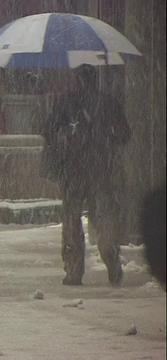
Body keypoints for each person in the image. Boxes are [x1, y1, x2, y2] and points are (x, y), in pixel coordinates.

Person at [40, 64, 131, 286]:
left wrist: (68, 134)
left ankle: (73, 270)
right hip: (101, 170)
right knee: (103, 219)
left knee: (72, 221)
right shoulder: (107, 103)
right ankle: (112, 261)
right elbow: (124, 135)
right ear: (95, 79)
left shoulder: (66, 103)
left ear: (76, 80)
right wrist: (105, 137)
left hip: (73, 171)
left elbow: (48, 131)